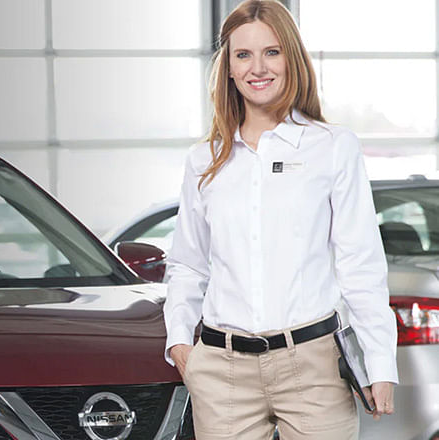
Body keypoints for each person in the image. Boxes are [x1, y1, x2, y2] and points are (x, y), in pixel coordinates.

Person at [163, 1, 398, 439]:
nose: (258, 67)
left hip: (313, 367)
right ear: (228, 69)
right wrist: (180, 342)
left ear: (292, 58)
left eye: (272, 52)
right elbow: (187, 264)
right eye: (243, 55)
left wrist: (380, 361)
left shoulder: (332, 147)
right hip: (222, 372)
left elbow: (360, 266)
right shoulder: (204, 160)